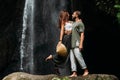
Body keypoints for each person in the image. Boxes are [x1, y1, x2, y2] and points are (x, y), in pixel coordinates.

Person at [45, 10, 72, 75]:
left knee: (67, 54)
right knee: (65, 53)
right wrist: (60, 41)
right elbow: (62, 31)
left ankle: (56, 66)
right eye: (68, 14)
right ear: (66, 15)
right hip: (66, 39)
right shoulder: (63, 22)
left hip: (70, 39)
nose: (69, 15)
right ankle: (52, 57)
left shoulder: (70, 22)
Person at [69, 10, 89, 77]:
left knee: (78, 56)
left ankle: (86, 70)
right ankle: (74, 73)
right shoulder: (74, 23)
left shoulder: (80, 23)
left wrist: (81, 44)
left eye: (73, 14)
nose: (72, 15)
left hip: (77, 42)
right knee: (72, 58)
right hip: (71, 43)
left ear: (77, 15)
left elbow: (82, 34)